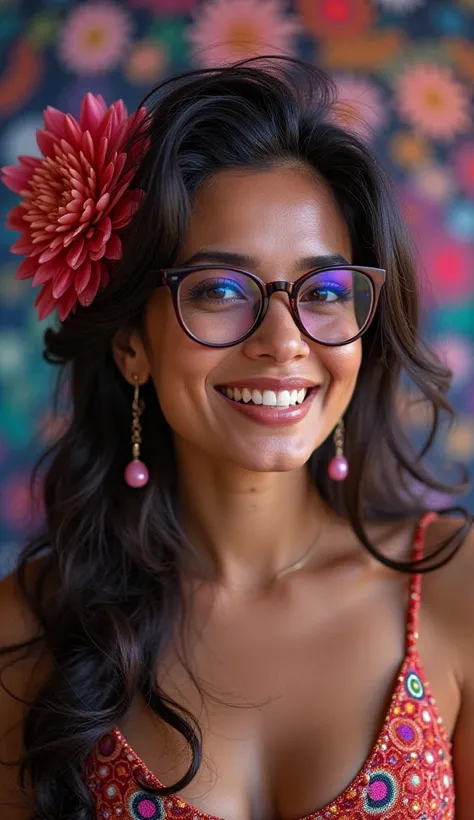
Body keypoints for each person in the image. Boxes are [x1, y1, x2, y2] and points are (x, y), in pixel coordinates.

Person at [0, 57, 472, 820]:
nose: (284, 342)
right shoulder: (26, 634)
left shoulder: (456, 594)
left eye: (323, 292)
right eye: (220, 290)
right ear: (132, 344)